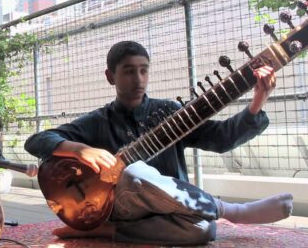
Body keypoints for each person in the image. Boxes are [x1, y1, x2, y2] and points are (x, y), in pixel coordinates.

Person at [25, 41, 293, 245]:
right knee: (132, 171)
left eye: (143, 70)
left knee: (204, 230)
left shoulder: (170, 113)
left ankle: (106, 231)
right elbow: (38, 140)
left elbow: (221, 139)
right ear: (111, 77)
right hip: (121, 207)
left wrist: (258, 101)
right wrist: (80, 149)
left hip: (170, 209)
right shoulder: (97, 121)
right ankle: (232, 210)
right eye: (129, 71)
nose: (138, 79)